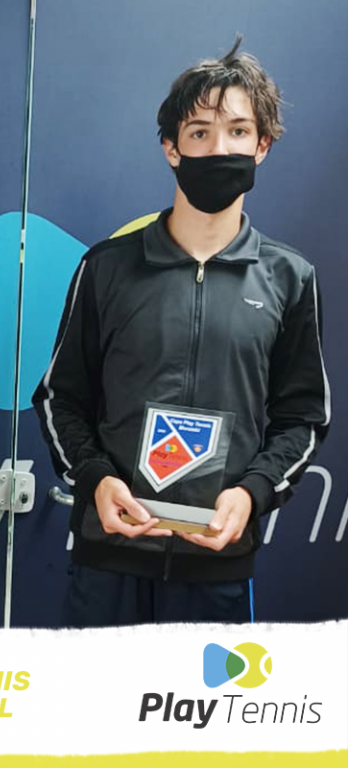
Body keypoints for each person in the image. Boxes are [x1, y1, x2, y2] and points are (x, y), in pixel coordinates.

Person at [33, 38, 330, 626]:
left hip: (216, 570)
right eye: (199, 132)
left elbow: (302, 418)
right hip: (107, 562)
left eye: (238, 132)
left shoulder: (289, 277)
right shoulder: (106, 267)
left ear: (262, 146)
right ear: (171, 147)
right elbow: (60, 398)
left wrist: (252, 493)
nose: (219, 148)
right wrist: (95, 479)